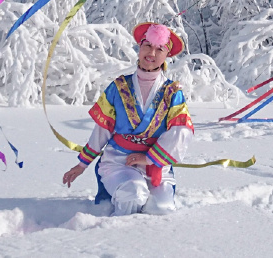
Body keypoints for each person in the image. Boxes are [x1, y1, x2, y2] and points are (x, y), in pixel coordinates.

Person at [61, 22, 194, 216]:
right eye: (147, 45)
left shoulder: (172, 93)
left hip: (155, 164)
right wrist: (82, 164)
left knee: (160, 209)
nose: (152, 53)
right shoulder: (119, 87)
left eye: (160, 49)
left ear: (167, 56)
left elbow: (181, 132)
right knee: (133, 194)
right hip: (119, 160)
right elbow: (102, 130)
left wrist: (149, 159)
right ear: (140, 48)